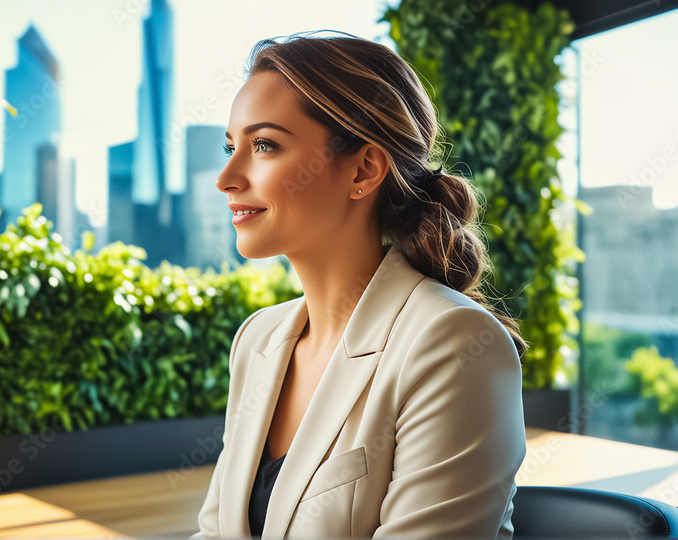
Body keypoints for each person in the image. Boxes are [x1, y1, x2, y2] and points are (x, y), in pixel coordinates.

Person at [191, 29, 528, 539]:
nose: (227, 176)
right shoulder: (258, 339)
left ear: (364, 169)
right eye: (230, 145)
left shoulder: (453, 344)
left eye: (264, 145)